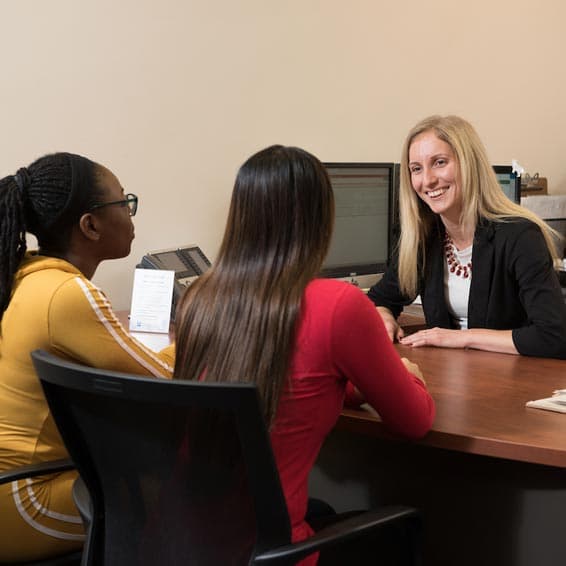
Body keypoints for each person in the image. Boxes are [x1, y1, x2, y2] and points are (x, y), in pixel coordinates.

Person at [173, 145, 435, 565]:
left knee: (324, 511)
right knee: (401, 531)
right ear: (321, 219)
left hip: (183, 544)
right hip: (275, 554)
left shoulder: (200, 299)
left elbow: (283, 381)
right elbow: (415, 421)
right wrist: (410, 374)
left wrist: (345, 388)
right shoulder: (339, 305)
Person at [0, 153, 174, 562]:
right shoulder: (66, 294)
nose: (131, 216)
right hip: (24, 500)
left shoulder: (26, 274)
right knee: (188, 491)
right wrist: (201, 319)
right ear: (90, 225)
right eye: (123, 203)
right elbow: (167, 378)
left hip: (15, 483)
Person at [368, 115, 566, 359]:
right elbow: (378, 299)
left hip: (513, 382)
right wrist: (384, 317)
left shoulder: (519, 235)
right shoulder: (425, 238)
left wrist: (462, 338)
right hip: (452, 378)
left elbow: (554, 336)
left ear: (469, 164)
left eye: (440, 162)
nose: (427, 180)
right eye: (416, 169)